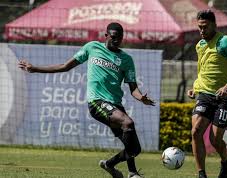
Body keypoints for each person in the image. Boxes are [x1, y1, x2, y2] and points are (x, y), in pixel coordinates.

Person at [18, 22, 155, 178]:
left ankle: (111, 165)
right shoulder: (92, 47)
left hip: (115, 105)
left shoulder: (126, 59)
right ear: (106, 36)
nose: (117, 41)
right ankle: (132, 174)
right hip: (97, 102)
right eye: (114, 37)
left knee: (134, 149)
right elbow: (65, 66)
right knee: (128, 123)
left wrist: (141, 98)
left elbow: (133, 89)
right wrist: (34, 68)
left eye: (120, 38)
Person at [187, 10, 227, 178]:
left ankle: (225, 160)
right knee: (196, 132)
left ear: (214, 25)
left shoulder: (225, 42)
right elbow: (202, 71)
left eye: (205, 27)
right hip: (204, 94)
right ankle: (201, 174)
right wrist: (195, 88)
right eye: (199, 27)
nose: (202, 31)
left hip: (224, 97)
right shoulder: (200, 45)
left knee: (215, 140)